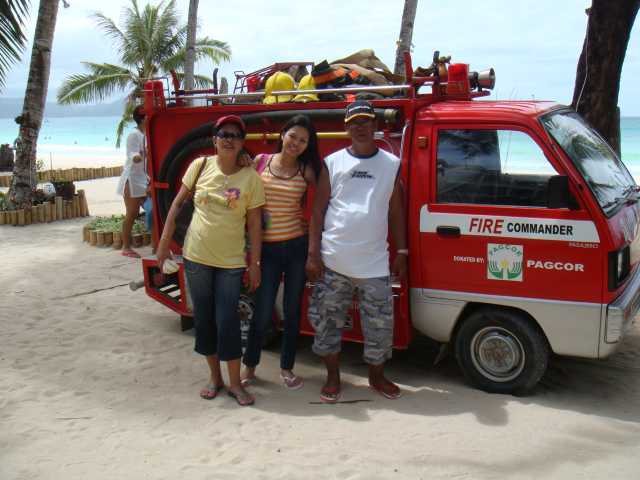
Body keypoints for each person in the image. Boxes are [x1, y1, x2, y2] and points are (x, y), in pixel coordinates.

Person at [156, 115, 265, 407]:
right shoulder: (199, 165)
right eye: (223, 134)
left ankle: (235, 383)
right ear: (214, 140)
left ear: (242, 143)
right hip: (196, 257)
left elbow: (255, 224)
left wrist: (254, 263)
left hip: (231, 262)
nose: (229, 139)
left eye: (235, 135)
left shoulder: (250, 177)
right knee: (203, 319)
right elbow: (177, 203)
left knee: (227, 320)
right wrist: (164, 243)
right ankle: (215, 378)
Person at [306, 100, 408, 403]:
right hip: (333, 260)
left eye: (365, 121)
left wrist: (402, 251)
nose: (360, 127)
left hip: (374, 264)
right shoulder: (333, 162)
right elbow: (318, 211)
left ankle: (377, 377)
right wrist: (313, 255)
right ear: (346, 128)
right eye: (354, 123)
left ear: (375, 125)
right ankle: (333, 377)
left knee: (380, 328)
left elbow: (395, 211)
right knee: (328, 324)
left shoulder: (391, 164)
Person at [241, 115, 320, 390]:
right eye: (293, 136)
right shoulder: (260, 162)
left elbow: (320, 203)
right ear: (282, 134)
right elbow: (244, 198)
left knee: (292, 310)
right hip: (267, 250)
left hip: (297, 247)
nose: (296, 143)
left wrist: (312, 237)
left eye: (303, 140)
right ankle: (250, 367)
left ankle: (287, 368)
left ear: (307, 145)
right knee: (262, 311)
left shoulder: (306, 171)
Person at [117, 105, 148, 258]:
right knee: (132, 213)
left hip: (143, 178)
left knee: (149, 210)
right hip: (132, 179)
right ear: (143, 119)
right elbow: (132, 153)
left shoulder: (145, 134)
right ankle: (126, 247)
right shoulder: (134, 135)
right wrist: (137, 156)